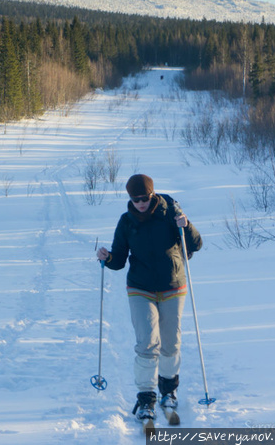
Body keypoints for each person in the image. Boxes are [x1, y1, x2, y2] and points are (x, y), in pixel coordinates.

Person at [96, 174, 202, 422]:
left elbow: (195, 245)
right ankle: (145, 398)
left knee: (170, 343)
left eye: (145, 198)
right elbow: (119, 260)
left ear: (152, 195)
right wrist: (107, 258)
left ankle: (169, 392)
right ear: (130, 199)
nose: (141, 203)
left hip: (173, 286)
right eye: (136, 199)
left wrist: (186, 226)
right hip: (140, 288)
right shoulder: (126, 222)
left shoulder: (171, 213)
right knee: (147, 343)